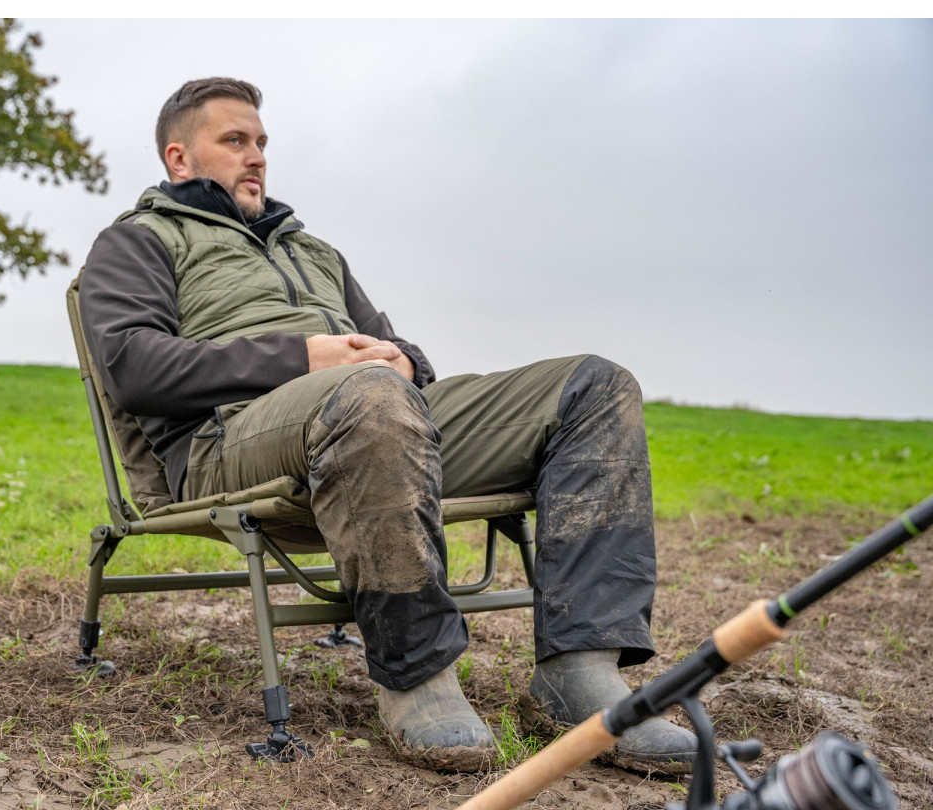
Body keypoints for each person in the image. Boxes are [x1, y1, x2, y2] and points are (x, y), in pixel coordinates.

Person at [79, 77, 697, 774]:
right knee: (370, 394)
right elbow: (133, 366)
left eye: (261, 142)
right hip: (229, 441)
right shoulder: (137, 242)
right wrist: (302, 356)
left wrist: (404, 360)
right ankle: (417, 675)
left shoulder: (311, 251)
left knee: (595, 387)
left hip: (373, 418)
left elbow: (396, 352)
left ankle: (580, 671)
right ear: (179, 157)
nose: (256, 157)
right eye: (234, 141)